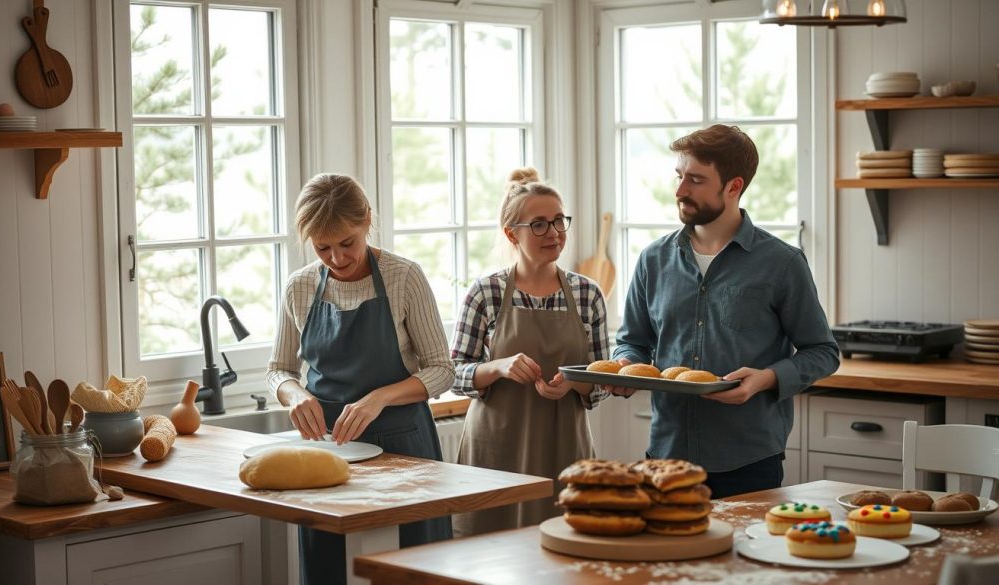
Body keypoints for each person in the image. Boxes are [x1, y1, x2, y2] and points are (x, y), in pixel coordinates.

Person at [607, 125, 839, 499]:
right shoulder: (653, 259)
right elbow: (632, 343)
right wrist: (625, 369)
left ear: (733, 187)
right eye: (679, 177)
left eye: (695, 180)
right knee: (668, 558)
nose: (680, 191)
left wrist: (764, 378)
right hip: (665, 458)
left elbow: (823, 353)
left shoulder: (782, 263)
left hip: (748, 462)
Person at [266, 173, 454, 585]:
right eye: (322, 247)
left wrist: (380, 398)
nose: (336, 257)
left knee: (411, 569)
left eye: (347, 242)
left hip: (405, 450)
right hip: (327, 454)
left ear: (368, 220)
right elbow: (277, 369)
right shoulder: (299, 287)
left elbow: (442, 369)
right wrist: (294, 393)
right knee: (329, 568)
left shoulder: (404, 276)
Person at [450, 167, 610, 535]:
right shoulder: (485, 293)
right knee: (487, 555)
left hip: (565, 447)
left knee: (568, 551)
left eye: (559, 221)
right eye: (539, 224)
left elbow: (602, 380)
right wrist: (498, 367)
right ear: (512, 234)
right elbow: (454, 372)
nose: (553, 233)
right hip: (494, 451)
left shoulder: (588, 295)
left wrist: (573, 382)